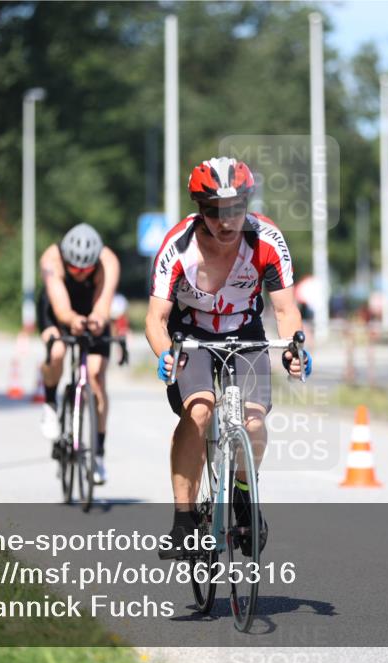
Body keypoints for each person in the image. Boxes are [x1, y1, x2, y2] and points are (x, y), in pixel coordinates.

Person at [145, 157, 311, 560]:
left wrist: (294, 350)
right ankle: (184, 521)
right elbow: (156, 318)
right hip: (192, 335)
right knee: (199, 410)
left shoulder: (267, 240)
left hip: (245, 332)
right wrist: (165, 353)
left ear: (247, 204)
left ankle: (241, 493)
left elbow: (286, 311)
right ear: (200, 210)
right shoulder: (178, 245)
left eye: (235, 209)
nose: (225, 221)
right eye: (214, 212)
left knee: (252, 420)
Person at [38, 223, 120, 483]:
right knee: (58, 350)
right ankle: (51, 402)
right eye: (75, 269)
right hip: (57, 308)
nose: (81, 274)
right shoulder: (51, 259)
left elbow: (104, 303)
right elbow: (61, 308)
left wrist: (97, 319)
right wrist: (71, 320)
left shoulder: (108, 261)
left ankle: (98, 454)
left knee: (96, 375)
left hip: (91, 305)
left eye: (86, 269)